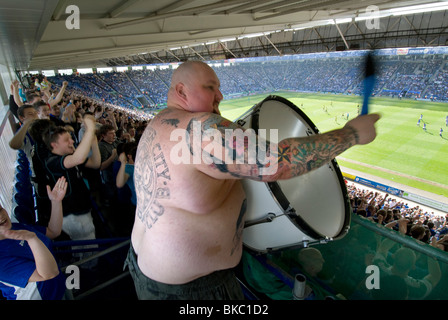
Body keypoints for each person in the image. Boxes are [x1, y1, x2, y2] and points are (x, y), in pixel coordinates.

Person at [125, 60, 380, 300]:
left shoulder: (160, 121)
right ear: (182, 90)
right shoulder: (198, 128)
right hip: (188, 291)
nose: (220, 96)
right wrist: (352, 134)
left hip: (149, 270)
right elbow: (277, 162)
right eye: (210, 87)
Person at [41, 114, 101, 256]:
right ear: (54, 145)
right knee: (87, 251)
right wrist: (90, 128)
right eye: (66, 140)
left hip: (81, 211)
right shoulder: (52, 162)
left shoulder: (70, 157)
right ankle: (89, 273)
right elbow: (79, 158)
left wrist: (93, 142)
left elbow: (95, 163)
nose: (72, 142)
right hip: (74, 216)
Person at [0, 177, 68, 300]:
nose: (0, 216)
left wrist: (56, 202)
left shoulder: (15, 227)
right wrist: (32, 239)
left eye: (0, 209)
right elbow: (49, 273)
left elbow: (53, 232)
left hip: (57, 289)